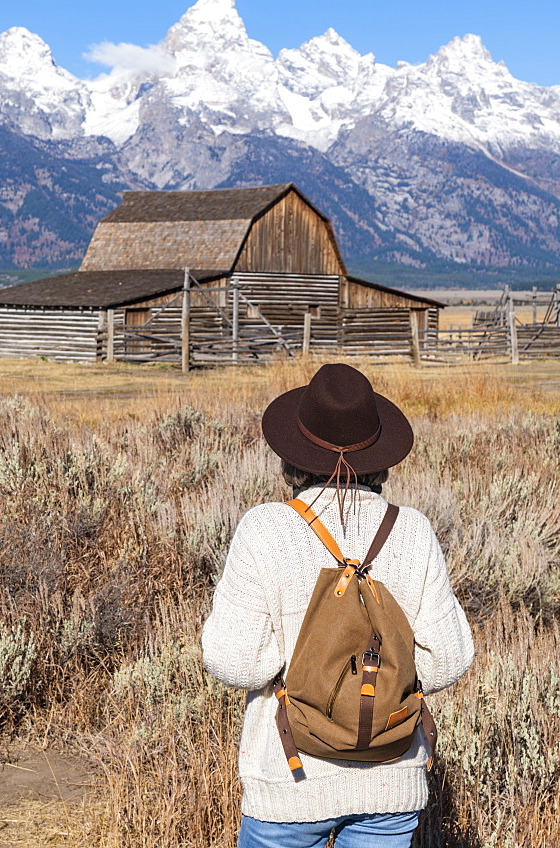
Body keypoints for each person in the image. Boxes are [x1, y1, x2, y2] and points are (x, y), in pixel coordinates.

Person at [201, 363, 474, 848]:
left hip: (289, 781)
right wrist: (378, 683)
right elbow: (448, 657)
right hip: (389, 781)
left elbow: (235, 662)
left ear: (293, 452)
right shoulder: (412, 530)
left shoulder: (264, 529)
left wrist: (311, 671)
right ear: (380, 454)